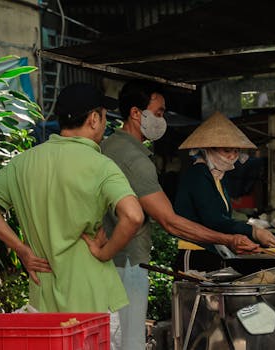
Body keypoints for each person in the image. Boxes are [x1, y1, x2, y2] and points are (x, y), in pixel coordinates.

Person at [0, 83, 144, 350]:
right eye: (104, 117)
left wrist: (21, 249)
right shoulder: (102, 166)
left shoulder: (24, 162)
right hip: (92, 303)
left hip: (43, 305)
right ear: (94, 119)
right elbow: (133, 216)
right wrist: (105, 252)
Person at [101, 79, 259, 350]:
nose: (162, 120)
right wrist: (232, 238)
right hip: (126, 261)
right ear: (136, 113)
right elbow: (170, 222)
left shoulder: (109, 147)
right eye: (159, 113)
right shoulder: (135, 159)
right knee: (130, 341)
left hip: (111, 258)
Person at [174, 111, 275, 272]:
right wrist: (253, 231)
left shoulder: (218, 176)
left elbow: (223, 217)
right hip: (194, 251)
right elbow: (214, 220)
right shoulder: (198, 175)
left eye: (236, 151)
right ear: (209, 150)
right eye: (226, 151)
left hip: (213, 250)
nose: (232, 156)